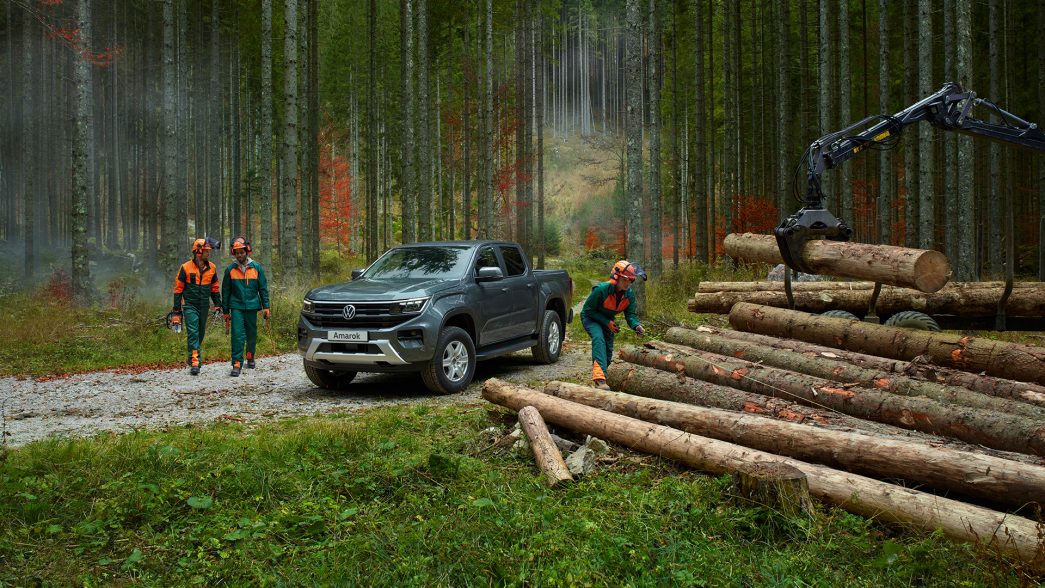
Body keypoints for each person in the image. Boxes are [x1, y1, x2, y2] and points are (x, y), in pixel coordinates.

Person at [581, 259, 646, 390]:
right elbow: (587, 310)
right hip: (591, 318)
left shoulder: (629, 295)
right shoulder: (601, 290)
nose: (628, 283)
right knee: (599, 339)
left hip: (607, 321)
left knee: (608, 350)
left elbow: (630, 315)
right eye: (625, 279)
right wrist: (606, 322)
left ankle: (605, 376)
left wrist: (636, 326)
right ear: (616, 277)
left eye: (631, 280)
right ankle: (599, 380)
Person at [172, 237, 223, 376]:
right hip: (189, 305)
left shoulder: (212, 267)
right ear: (198, 251)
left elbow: (214, 287)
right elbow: (178, 289)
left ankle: (192, 355)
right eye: (207, 251)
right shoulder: (185, 267)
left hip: (204, 305)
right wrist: (177, 310)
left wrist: (218, 304)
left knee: (200, 333)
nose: (209, 253)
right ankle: (195, 362)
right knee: (193, 332)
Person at [221, 237, 271, 377]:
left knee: (251, 333)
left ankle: (250, 356)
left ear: (246, 251)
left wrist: (266, 306)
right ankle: (236, 363)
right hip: (236, 306)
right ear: (234, 253)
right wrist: (226, 310)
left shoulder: (256, 267)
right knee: (237, 334)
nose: (239, 255)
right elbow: (225, 291)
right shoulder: (230, 269)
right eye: (236, 253)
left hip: (252, 305)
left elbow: (263, 288)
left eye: (241, 252)